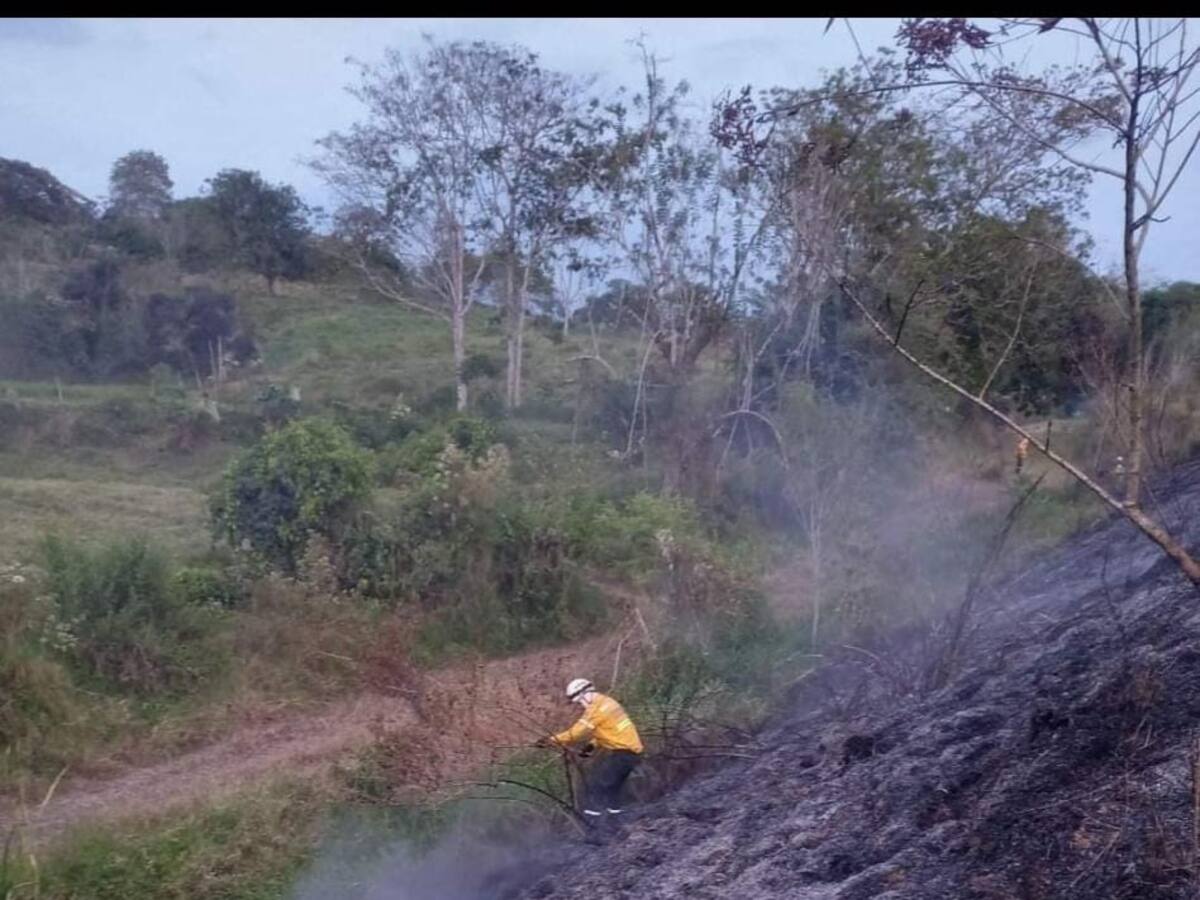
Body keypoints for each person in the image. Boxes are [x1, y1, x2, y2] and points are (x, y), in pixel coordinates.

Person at [537, 678, 644, 824]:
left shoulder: (596, 709)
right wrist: (592, 745)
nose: (580, 705)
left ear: (584, 694)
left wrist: (550, 740)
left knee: (596, 785)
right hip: (631, 752)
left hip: (623, 754)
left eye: (579, 701)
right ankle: (616, 821)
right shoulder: (608, 702)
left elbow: (575, 733)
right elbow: (608, 730)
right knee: (612, 788)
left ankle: (593, 825)